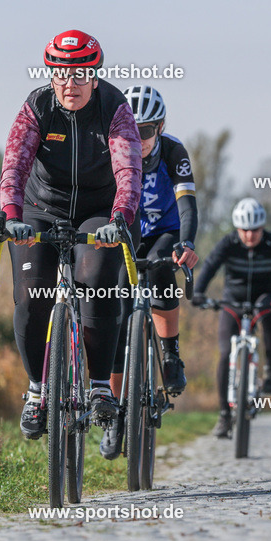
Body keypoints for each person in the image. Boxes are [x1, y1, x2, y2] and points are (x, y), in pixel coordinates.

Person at [0, 30, 143, 440]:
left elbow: (129, 172)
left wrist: (120, 216)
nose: (70, 84)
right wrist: (12, 215)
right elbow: (15, 163)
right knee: (31, 292)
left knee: (97, 283)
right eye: (60, 74)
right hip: (40, 208)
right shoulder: (37, 106)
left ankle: (99, 386)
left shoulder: (114, 108)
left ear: (95, 77)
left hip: (102, 211)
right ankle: (36, 389)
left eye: (80, 75)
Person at [100, 85, 199, 460]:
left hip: (163, 232)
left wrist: (186, 244)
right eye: (130, 130)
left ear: (159, 128)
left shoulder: (174, 152)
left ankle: (170, 353)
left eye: (144, 132)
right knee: (116, 318)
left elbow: (188, 206)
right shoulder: (111, 150)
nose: (136, 139)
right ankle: (112, 414)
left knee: (162, 268)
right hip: (123, 233)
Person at [191, 198, 271, 438]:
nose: (250, 235)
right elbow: (210, 265)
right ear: (237, 228)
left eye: (255, 230)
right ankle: (224, 415)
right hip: (233, 298)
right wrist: (198, 293)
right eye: (245, 230)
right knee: (224, 352)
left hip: (264, 295)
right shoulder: (228, 243)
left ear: (262, 228)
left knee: (269, 313)